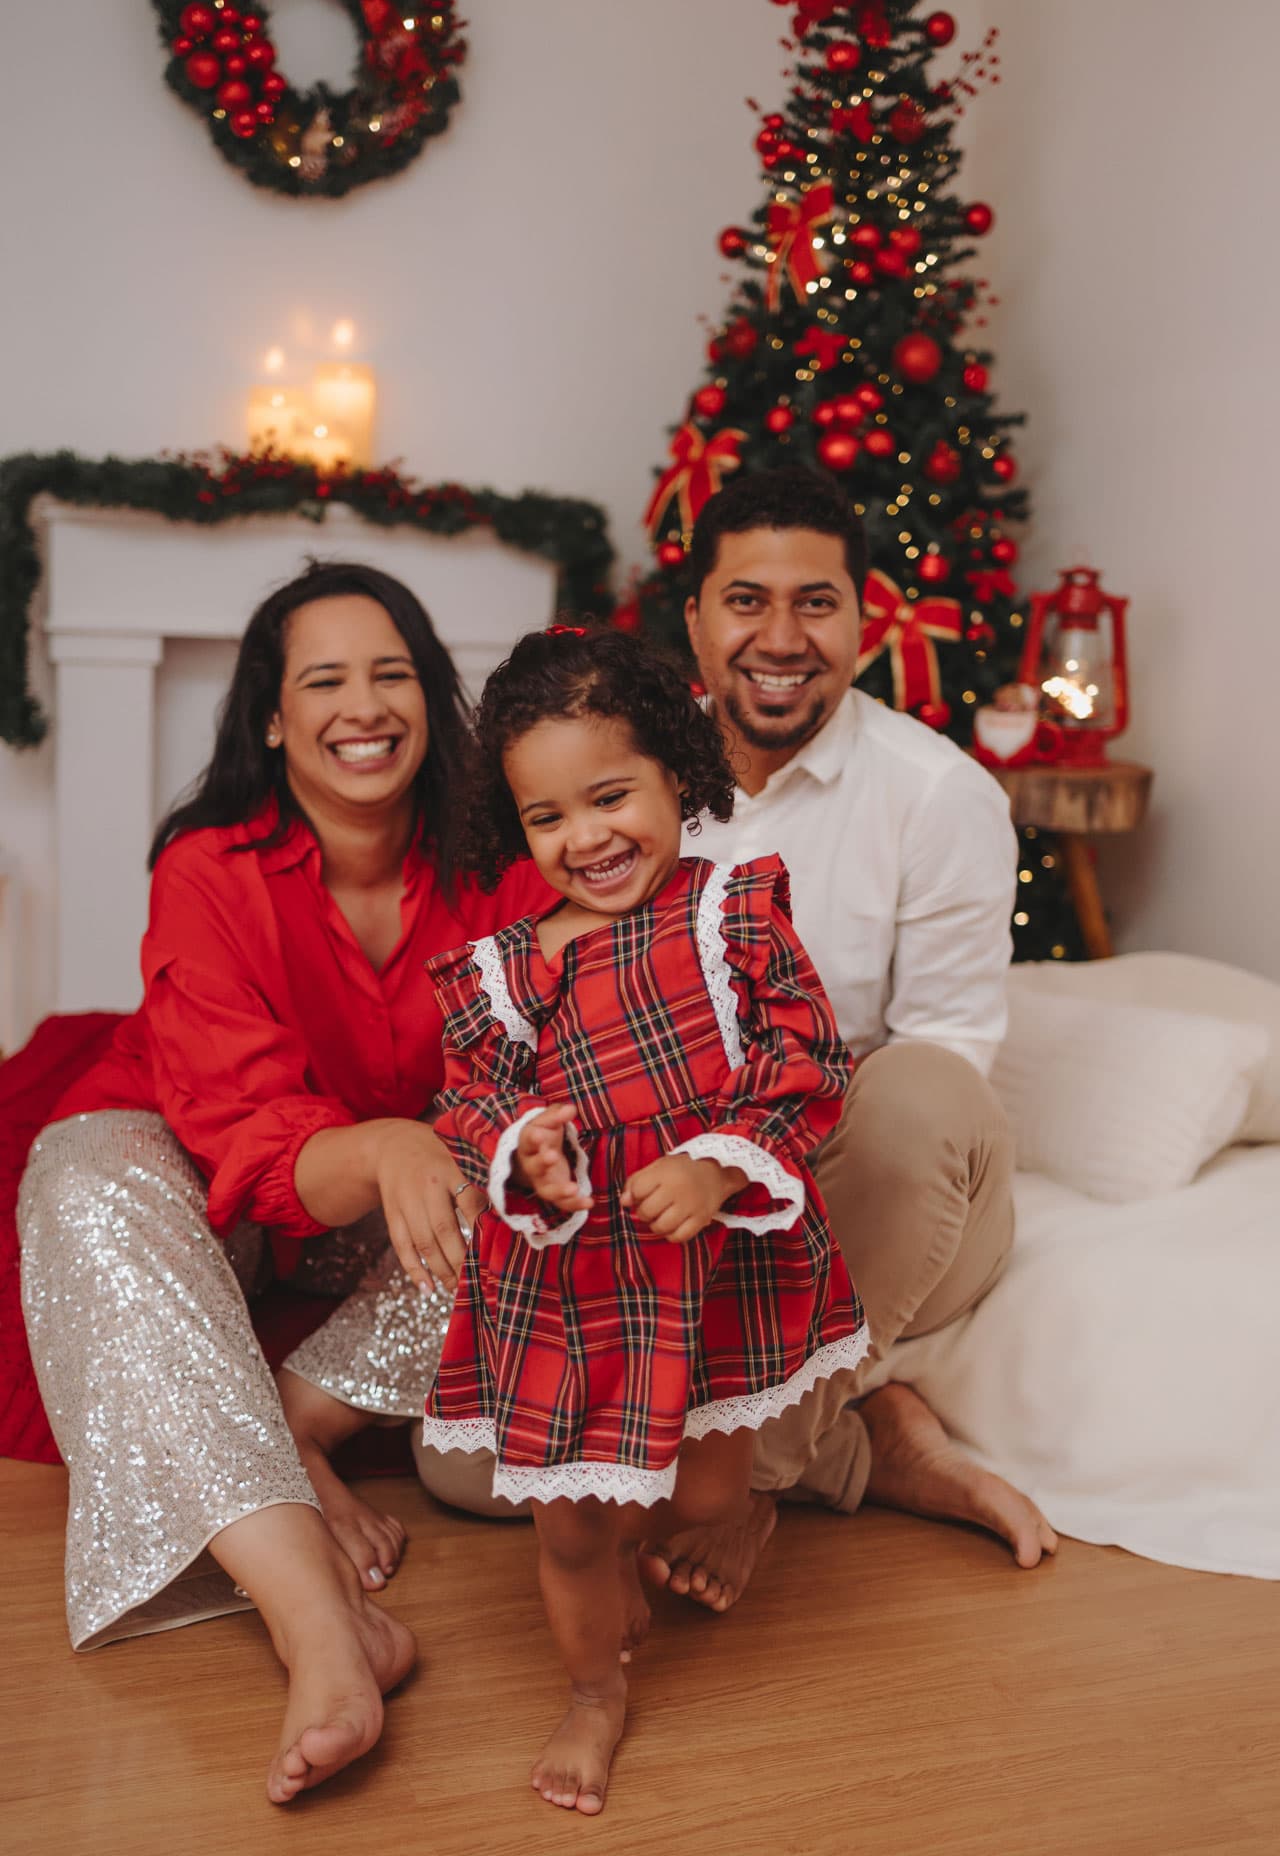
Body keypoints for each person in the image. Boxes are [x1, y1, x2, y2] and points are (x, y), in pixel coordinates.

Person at [16, 562, 549, 1804]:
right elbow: (236, 1122)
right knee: (76, 1169)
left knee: (540, 1162)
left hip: (392, 1228)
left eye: (390, 674)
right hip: (213, 1168)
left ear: (431, 699)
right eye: (323, 681)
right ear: (271, 716)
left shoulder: (500, 859)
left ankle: (299, 1421)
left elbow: (547, 1059)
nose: (362, 707)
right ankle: (324, 1627)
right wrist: (377, 1147)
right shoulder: (208, 868)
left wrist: (441, 1142)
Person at [417, 627, 868, 1813]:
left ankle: (730, 1519)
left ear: (677, 773)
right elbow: (464, 1100)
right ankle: (590, 1692)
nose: (586, 839)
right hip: (569, 1279)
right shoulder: (506, 970)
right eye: (546, 818)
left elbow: (808, 1058)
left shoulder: (732, 916)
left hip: (706, 1266)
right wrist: (527, 1153)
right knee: (571, 1528)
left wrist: (720, 1169)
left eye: (611, 796)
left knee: (707, 1499)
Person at [636, 464, 1059, 1613]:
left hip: (878, 1187)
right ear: (695, 620)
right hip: (691, 1186)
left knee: (917, 1087)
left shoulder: (937, 795)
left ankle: (750, 1481)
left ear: (861, 622)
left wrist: (757, 1173)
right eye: (745, 600)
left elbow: (946, 1064)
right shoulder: (633, 782)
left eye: (814, 602)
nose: (780, 636)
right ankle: (876, 1445)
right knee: (458, 1470)